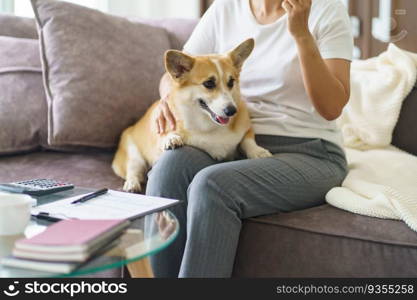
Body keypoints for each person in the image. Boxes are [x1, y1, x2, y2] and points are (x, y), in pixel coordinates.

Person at [146, 0, 353, 277]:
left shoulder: (326, 8)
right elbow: (174, 75)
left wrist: (301, 34)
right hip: (234, 140)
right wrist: (165, 99)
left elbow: (332, 108)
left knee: (212, 186)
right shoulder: (226, 8)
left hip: (310, 151)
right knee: (168, 169)